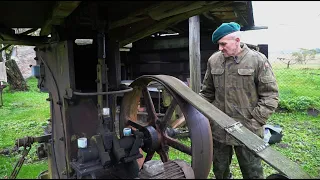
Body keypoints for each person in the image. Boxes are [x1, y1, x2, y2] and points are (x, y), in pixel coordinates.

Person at [199, 22, 279, 179]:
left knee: (252, 172)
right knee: (220, 171)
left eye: (223, 44)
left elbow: (270, 95)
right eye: (218, 44)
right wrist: (203, 116)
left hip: (248, 129)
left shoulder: (257, 60)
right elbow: (207, 92)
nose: (220, 48)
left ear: (236, 40)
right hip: (219, 129)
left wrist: (253, 123)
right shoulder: (214, 60)